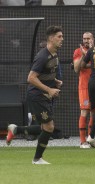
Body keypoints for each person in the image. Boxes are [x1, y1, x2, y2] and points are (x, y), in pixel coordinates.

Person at [6, 25, 63, 164]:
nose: (62, 39)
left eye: (62, 36)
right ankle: (37, 159)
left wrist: (54, 81)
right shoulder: (42, 56)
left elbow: (43, 74)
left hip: (43, 96)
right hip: (37, 96)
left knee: (45, 127)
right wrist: (49, 90)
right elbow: (31, 78)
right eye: (59, 36)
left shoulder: (54, 54)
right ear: (51, 38)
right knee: (49, 127)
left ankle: (16, 129)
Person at [73, 32, 95, 149]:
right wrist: (83, 55)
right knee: (84, 112)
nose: (86, 40)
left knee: (94, 112)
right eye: (84, 38)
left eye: (88, 38)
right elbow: (77, 68)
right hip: (84, 86)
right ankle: (82, 141)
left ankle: (90, 138)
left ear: (93, 39)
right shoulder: (78, 51)